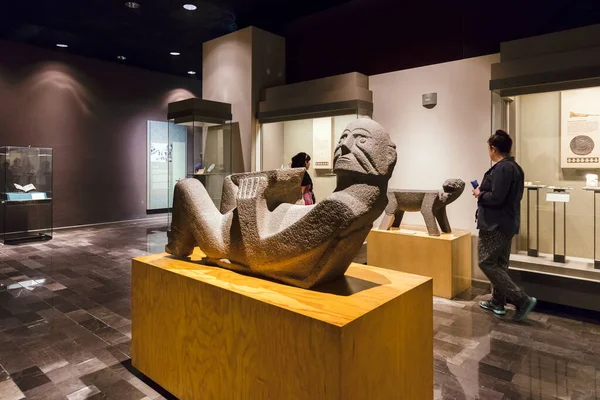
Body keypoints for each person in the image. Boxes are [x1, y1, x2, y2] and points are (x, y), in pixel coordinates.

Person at [473, 129, 536, 322]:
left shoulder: (502, 168)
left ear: (493, 148)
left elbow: (496, 197)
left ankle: (521, 299)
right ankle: (497, 302)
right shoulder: (515, 167)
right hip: (506, 223)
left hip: (495, 224)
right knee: (499, 264)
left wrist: (479, 194)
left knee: (486, 262)